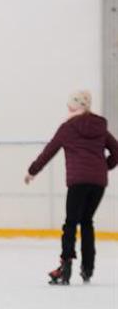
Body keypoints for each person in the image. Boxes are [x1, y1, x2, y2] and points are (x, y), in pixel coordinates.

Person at [25, 90, 118, 285]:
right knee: (87, 222)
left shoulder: (68, 128)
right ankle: (88, 268)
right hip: (98, 183)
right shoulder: (100, 127)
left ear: (74, 106)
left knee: (70, 223)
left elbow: (48, 151)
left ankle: (65, 268)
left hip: (78, 182)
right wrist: (104, 166)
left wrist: (32, 171)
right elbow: (116, 150)